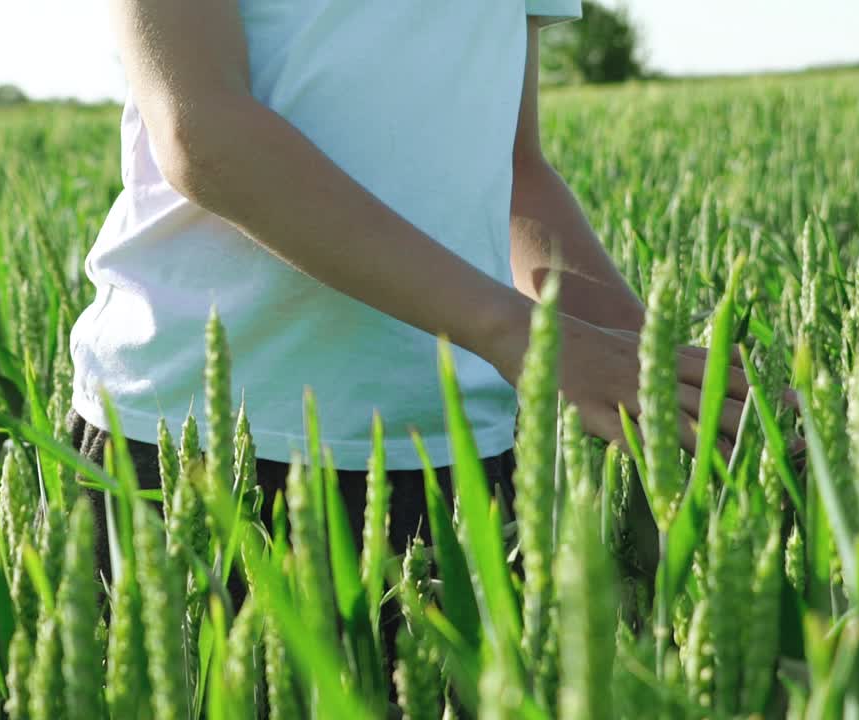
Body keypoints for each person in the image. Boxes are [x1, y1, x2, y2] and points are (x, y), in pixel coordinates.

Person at [68, 0, 749, 634]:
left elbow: (514, 169)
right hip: (192, 449)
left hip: (455, 453)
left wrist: (662, 374)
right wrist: (517, 333)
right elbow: (203, 129)